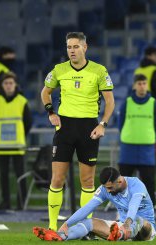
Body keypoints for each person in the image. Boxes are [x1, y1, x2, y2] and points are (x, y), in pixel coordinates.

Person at [41, 32, 115, 231]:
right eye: (68, 47)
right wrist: (51, 113)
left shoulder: (99, 71)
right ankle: (52, 226)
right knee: (57, 179)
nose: (71, 51)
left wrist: (103, 125)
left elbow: (110, 101)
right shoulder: (59, 70)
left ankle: (85, 227)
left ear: (85, 47)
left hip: (88, 129)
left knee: (88, 180)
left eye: (75, 47)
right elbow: (45, 92)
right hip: (64, 128)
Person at [33, 167, 156, 242]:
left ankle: (119, 233)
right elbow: (87, 208)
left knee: (139, 221)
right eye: (106, 188)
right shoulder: (105, 189)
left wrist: (127, 224)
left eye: (110, 187)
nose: (107, 191)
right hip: (122, 227)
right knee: (88, 222)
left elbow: (133, 206)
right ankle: (60, 237)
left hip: (146, 230)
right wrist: (66, 224)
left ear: (119, 181)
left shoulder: (136, 185)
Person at [118, 74, 156, 205]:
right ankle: (122, 210)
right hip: (128, 148)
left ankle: (149, 212)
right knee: (123, 182)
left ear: (147, 85)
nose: (142, 86)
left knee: (149, 182)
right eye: (139, 83)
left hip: (146, 149)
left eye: (144, 83)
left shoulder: (155, 104)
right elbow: (121, 124)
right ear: (134, 85)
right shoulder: (127, 103)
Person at [0, 72, 32, 210]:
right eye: (6, 83)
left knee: (20, 175)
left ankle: (21, 203)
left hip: (17, 146)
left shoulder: (22, 101)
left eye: (11, 83)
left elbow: (28, 122)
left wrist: (20, 136)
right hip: (1, 146)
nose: (8, 86)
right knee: (3, 176)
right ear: (2, 86)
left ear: (15, 85)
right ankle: (6, 202)